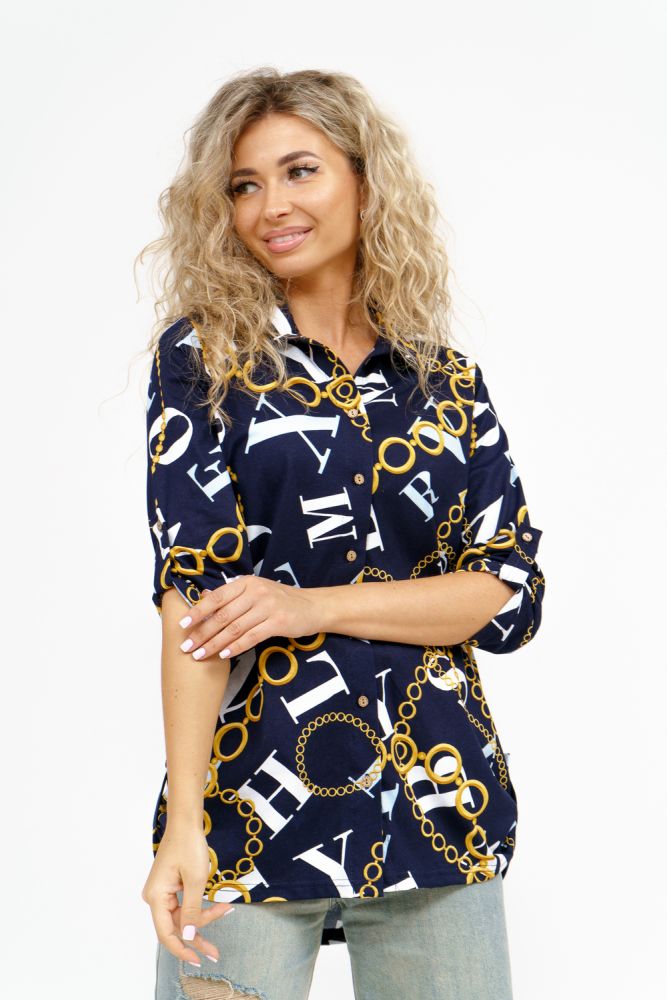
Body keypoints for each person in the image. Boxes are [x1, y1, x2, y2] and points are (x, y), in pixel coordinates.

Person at [138, 67, 546, 1000]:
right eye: (244, 185)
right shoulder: (205, 359)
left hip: (440, 814)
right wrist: (184, 825)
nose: (270, 206)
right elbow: (195, 597)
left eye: (300, 171)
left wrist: (305, 606)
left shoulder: (446, 382)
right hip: (248, 810)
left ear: (366, 182)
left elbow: (507, 596)